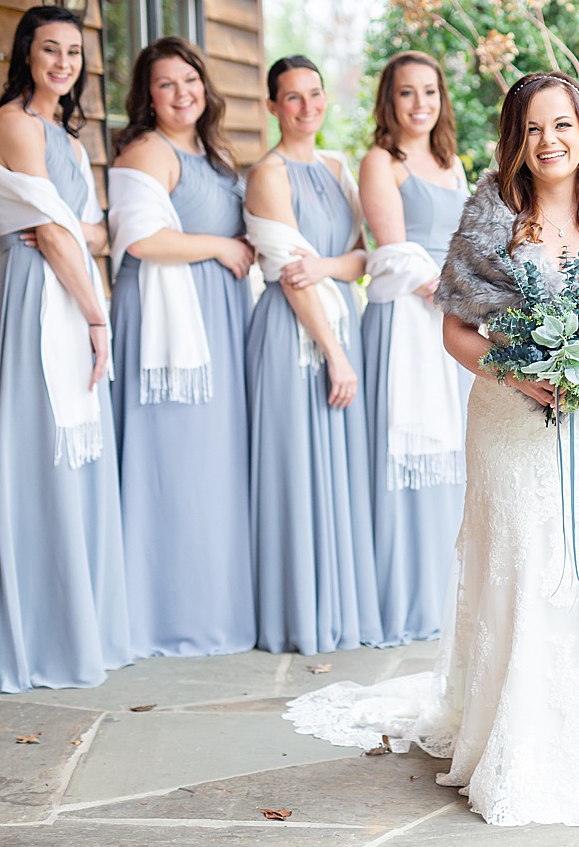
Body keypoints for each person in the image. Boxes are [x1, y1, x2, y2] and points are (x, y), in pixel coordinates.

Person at [284, 72, 579, 828]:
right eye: (533, 129)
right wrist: (524, 376)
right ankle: (513, 740)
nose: (550, 141)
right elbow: (456, 329)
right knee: (521, 565)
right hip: (508, 419)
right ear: (515, 140)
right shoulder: (490, 216)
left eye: (563, 125)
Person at [0, 6, 131, 693]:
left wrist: (75, 235)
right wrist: (97, 317)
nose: (63, 62)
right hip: (41, 300)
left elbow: (93, 230)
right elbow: (60, 237)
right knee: (42, 460)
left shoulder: (63, 132)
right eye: (49, 49)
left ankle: (76, 625)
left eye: (73, 52)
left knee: (77, 457)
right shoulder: (12, 123)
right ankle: (35, 634)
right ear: (24, 55)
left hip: (66, 284)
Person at [107, 36, 256, 659]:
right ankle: (166, 616)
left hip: (214, 318)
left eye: (189, 80)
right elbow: (140, 240)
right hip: (171, 331)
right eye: (166, 84)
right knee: (175, 464)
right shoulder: (148, 150)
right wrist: (222, 248)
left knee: (213, 465)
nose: (181, 93)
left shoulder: (212, 152)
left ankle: (213, 605)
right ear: (147, 95)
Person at [244, 54, 378, 655]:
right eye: (292, 97)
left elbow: (362, 258)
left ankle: (340, 608)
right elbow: (290, 277)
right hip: (296, 338)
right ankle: (302, 615)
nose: (307, 107)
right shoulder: (268, 174)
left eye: (315, 94)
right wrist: (335, 355)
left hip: (339, 324)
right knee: (297, 469)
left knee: (338, 469)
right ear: (273, 106)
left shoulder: (338, 166)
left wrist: (327, 265)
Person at [358, 51, 470, 647]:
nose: (420, 104)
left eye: (430, 91)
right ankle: (404, 600)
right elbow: (395, 250)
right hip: (407, 320)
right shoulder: (383, 161)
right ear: (390, 100)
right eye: (407, 93)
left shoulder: (451, 164)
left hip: (450, 322)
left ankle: (445, 595)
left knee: (451, 458)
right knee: (405, 463)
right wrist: (459, 296)